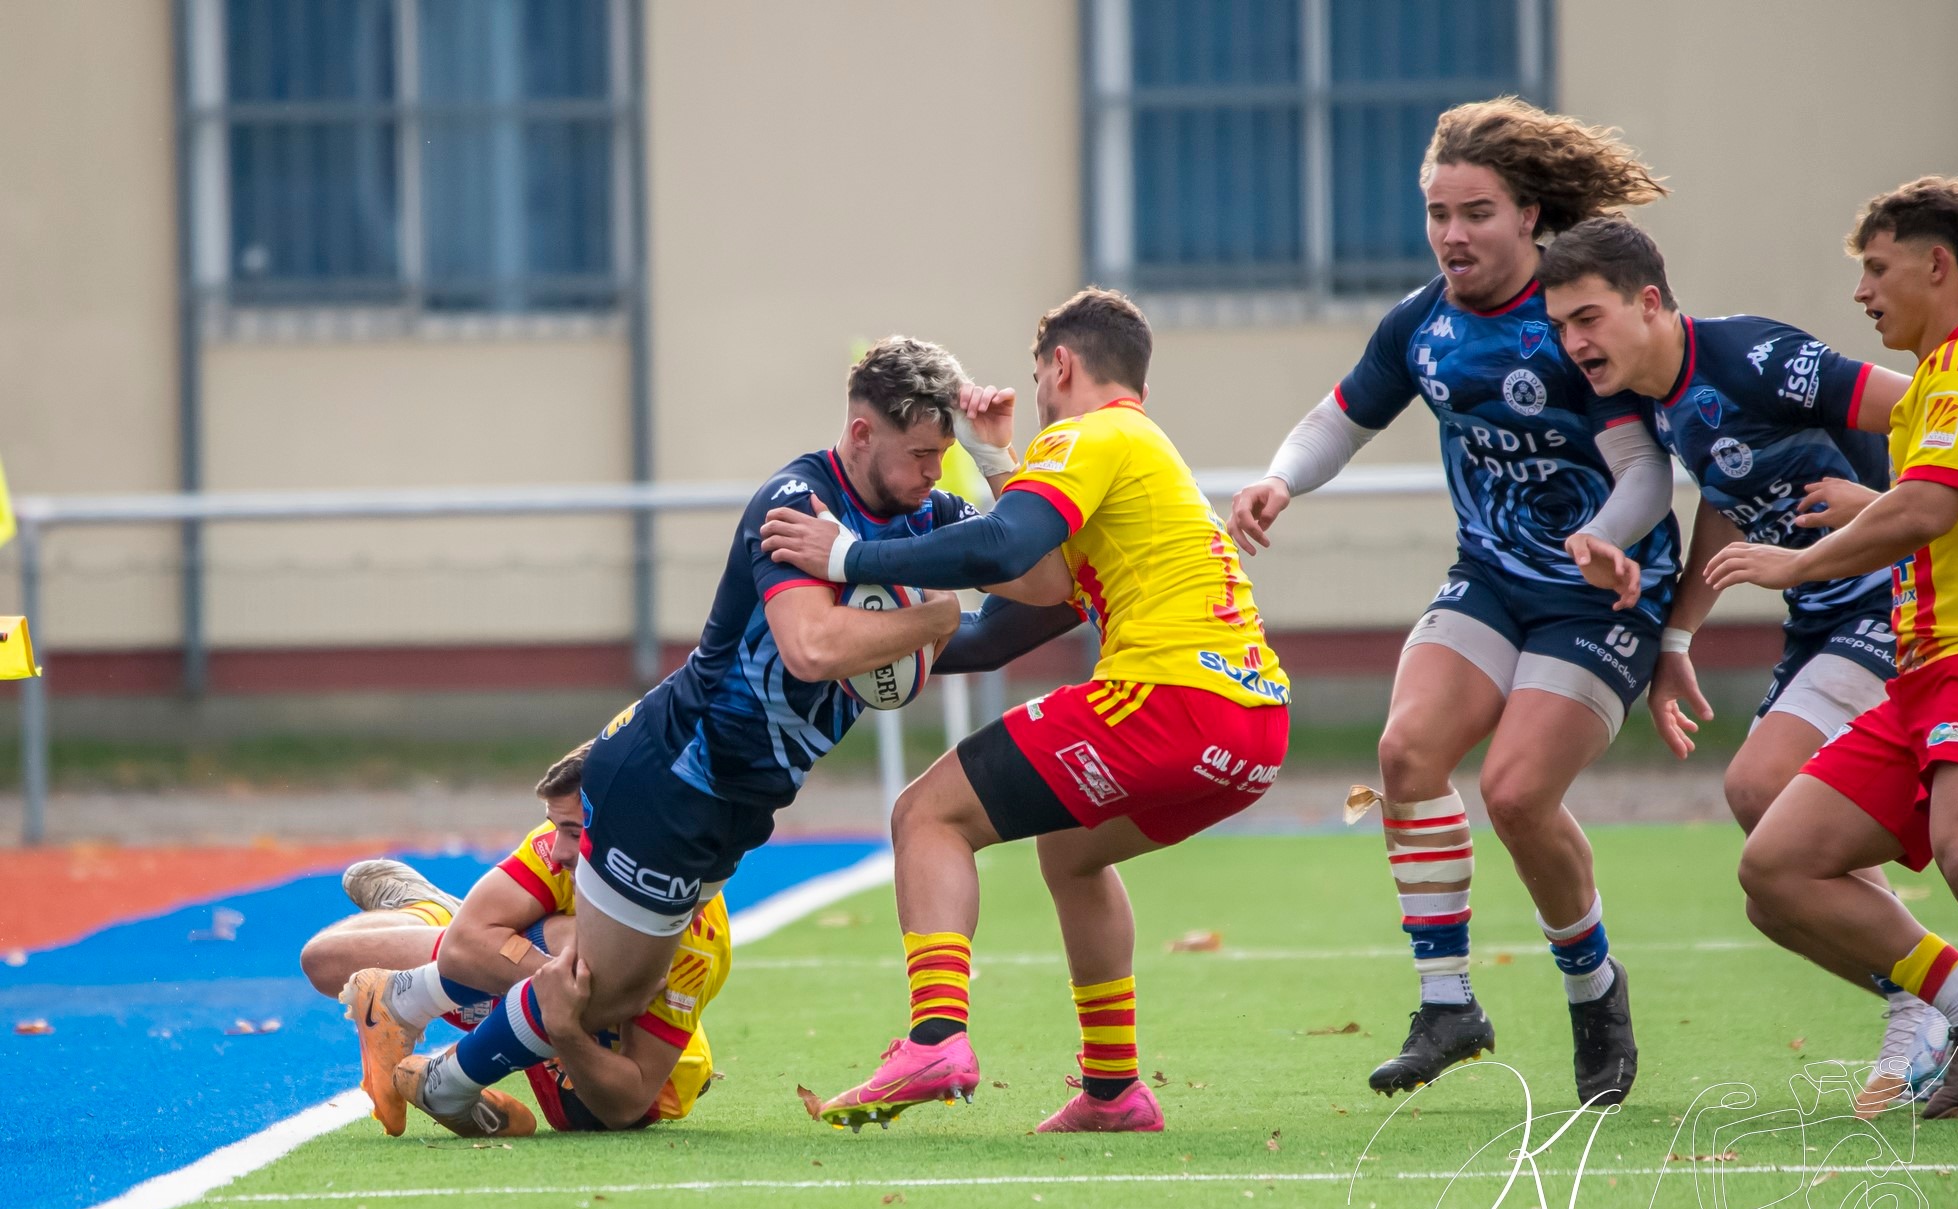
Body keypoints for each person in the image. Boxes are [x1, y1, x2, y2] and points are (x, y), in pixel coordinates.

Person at [392, 337, 1077, 1137]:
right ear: (862, 435)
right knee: (601, 995)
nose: (933, 471)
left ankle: (412, 1002)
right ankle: (430, 1046)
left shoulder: (925, 512)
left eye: (944, 454)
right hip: (670, 777)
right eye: (921, 455)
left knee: (611, 994)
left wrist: (995, 460)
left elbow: (1042, 584)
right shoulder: (797, 503)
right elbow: (811, 647)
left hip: (735, 807)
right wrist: (932, 618)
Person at [1227, 97, 1677, 1106]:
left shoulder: (1573, 320)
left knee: (1515, 795)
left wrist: (1607, 535)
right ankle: (1447, 1006)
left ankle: (1593, 992)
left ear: (1528, 216)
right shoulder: (1421, 321)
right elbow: (1341, 417)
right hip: (1491, 578)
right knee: (1405, 754)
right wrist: (1279, 480)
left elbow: (1645, 470)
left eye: (1476, 213)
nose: (1452, 235)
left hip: (1600, 596)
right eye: (1438, 213)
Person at [760, 288, 1290, 1134]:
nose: (1038, 397)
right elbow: (1040, 583)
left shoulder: (1089, 433)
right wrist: (996, 455)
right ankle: (1114, 1092)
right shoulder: (1143, 448)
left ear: (1061, 366)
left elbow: (1005, 544)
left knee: (925, 816)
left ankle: (936, 1039)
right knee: (1072, 850)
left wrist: (850, 554)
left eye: (1040, 377)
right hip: (1254, 727)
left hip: (1169, 701)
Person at [1539, 216, 1935, 1115]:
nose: (1575, 343)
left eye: (1588, 318)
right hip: (1821, 617)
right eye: (1561, 327)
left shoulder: (1754, 357)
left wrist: (1877, 501)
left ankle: (1927, 1003)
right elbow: (1728, 489)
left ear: (1649, 303)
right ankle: (1927, 995)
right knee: (1773, 881)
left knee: (1763, 792)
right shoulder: (1661, 395)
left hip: (1891, 602)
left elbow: (1927, 407)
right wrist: (1678, 639)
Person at [1707, 176, 1958, 1119]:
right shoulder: (1926, 388)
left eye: (1877, 269)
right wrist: (1879, 504)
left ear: (1937, 265)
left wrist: (1800, 563)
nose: (1862, 292)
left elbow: (1928, 507)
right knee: (1776, 869)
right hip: (1918, 678)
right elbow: (1931, 505)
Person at [314, 743, 724, 1136]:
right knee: (324, 962)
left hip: (615, 1078)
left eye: (573, 832)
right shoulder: (563, 841)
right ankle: (431, 946)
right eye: (556, 827)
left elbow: (625, 1106)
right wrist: (557, 992)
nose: (558, 851)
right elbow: (462, 948)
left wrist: (564, 1026)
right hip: (533, 1002)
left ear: (628, 833)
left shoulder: (694, 934)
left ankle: (430, 982)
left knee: (588, 952)